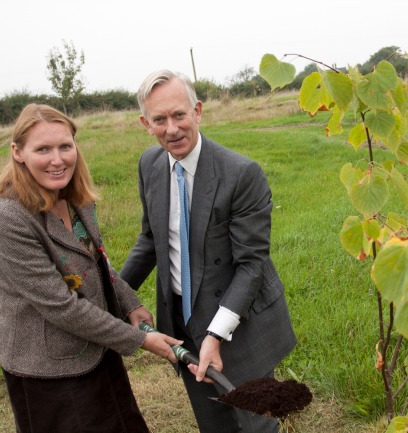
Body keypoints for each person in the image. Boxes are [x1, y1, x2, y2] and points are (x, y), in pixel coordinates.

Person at [0, 103, 182, 433]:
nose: (57, 159)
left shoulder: (75, 196)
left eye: (65, 146)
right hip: (49, 368)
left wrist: (130, 302)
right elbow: (62, 307)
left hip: (96, 348)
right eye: (42, 149)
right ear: (18, 152)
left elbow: (97, 261)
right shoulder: (8, 219)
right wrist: (140, 340)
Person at [120, 70, 297, 432]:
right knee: (213, 422)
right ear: (145, 123)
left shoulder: (241, 173)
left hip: (240, 323)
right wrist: (116, 294)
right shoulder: (149, 166)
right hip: (184, 326)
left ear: (197, 111)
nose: (172, 129)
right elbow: (150, 240)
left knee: (256, 423)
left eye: (179, 115)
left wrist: (217, 335)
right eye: (160, 119)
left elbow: (252, 264)